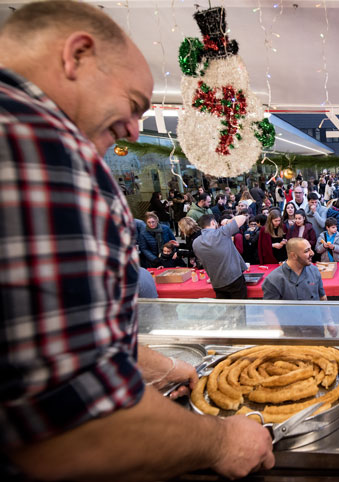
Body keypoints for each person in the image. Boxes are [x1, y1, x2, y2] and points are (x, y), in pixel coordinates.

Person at [0, 2, 273, 480]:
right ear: (77, 55)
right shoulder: (45, 151)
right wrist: (223, 441)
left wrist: (159, 367)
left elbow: (45, 354)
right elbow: (73, 430)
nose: (133, 129)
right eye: (133, 104)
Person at [193, 214, 249, 299]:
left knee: (224, 309)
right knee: (239, 309)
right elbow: (243, 217)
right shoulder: (221, 232)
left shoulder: (196, 242)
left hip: (216, 282)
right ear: (213, 223)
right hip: (233, 278)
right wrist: (227, 221)